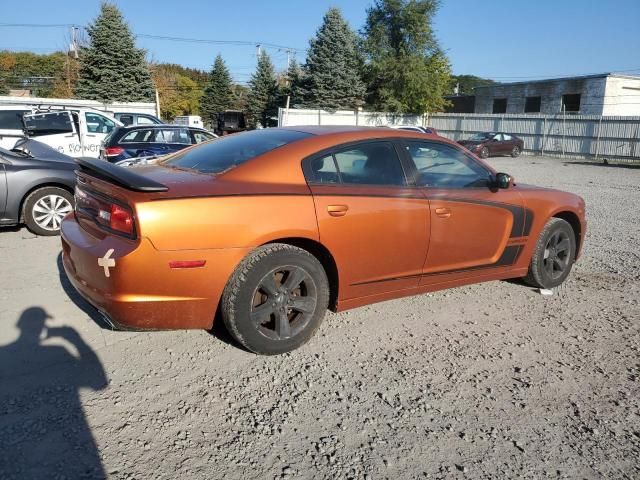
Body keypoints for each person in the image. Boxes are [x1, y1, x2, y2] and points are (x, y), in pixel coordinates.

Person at [0, 307, 107, 479]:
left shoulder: (3, 354)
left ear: (19, 325)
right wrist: (74, 339)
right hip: (74, 445)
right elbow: (99, 383)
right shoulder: (57, 350)